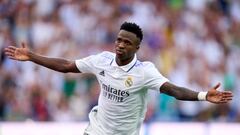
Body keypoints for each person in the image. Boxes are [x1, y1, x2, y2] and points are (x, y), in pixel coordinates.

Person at [4, 22, 233, 135]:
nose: (121, 44)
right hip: (97, 130)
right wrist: (32, 56)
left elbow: (174, 90)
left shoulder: (145, 71)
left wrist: (203, 95)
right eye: (119, 39)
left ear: (137, 47)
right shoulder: (102, 60)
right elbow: (66, 66)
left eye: (127, 42)